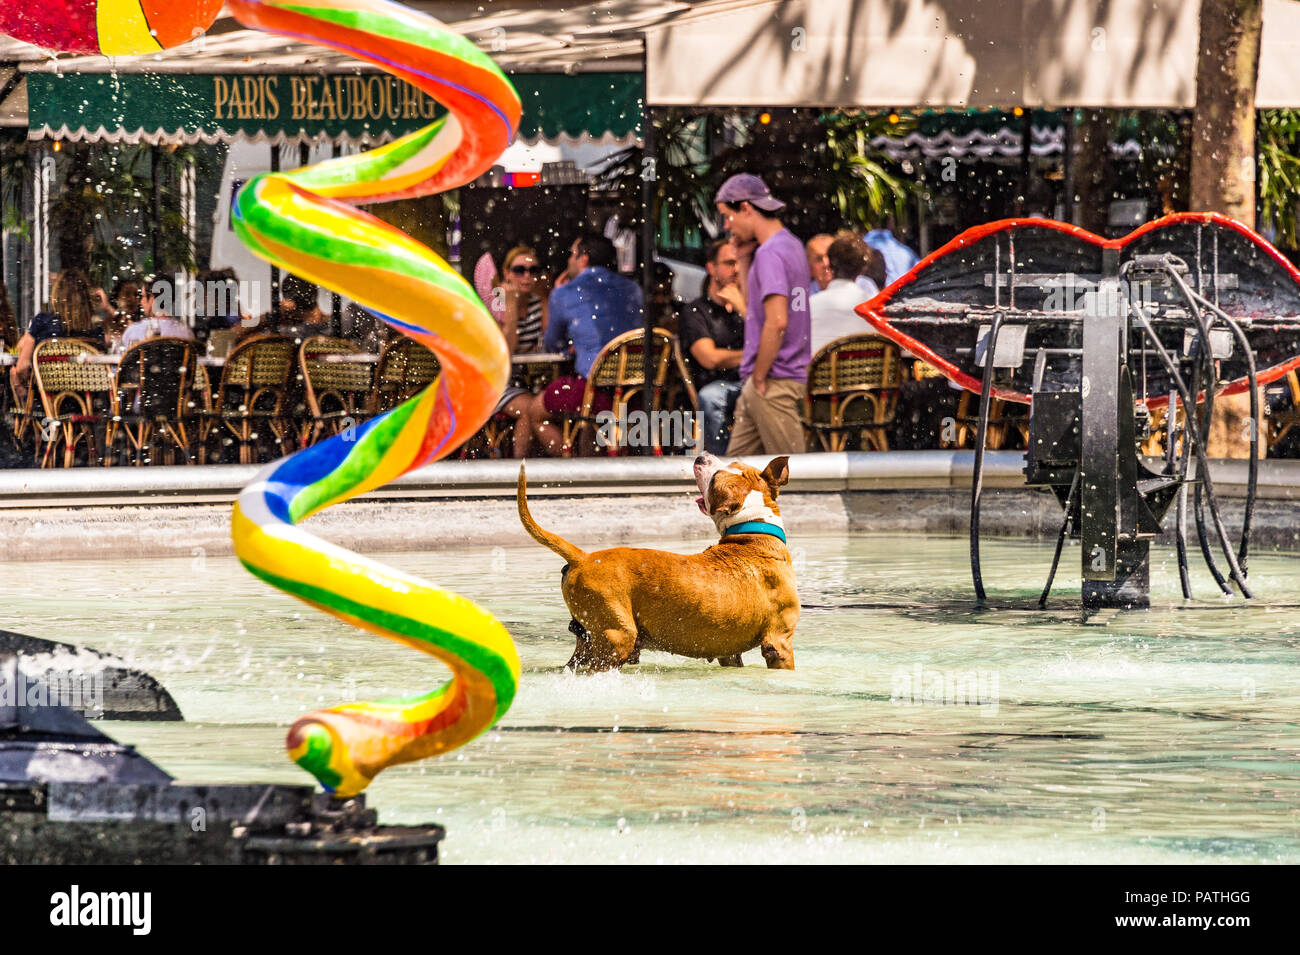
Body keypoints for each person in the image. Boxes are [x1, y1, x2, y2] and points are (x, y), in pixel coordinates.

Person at [515, 231, 643, 457]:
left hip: (593, 392)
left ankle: (572, 467)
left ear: (584, 258)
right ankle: (593, 460)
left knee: (535, 412)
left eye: (572, 254)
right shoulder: (633, 289)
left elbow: (553, 343)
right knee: (591, 421)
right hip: (636, 396)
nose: (569, 260)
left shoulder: (565, 293)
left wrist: (572, 343)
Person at [715, 173, 811, 456]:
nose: (726, 226)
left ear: (746, 208)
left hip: (773, 381)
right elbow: (755, 308)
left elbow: (777, 321)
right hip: (770, 380)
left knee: (795, 480)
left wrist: (759, 375)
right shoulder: (791, 245)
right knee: (735, 477)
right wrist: (743, 258)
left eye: (727, 217)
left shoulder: (770, 254)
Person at [679, 238, 746, 455]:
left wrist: (743, 308)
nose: (736, 269)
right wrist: (752, 355)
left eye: (739, 263)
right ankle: (721, 463)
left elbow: (770, 341)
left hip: (750, 380)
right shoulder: (696, 312)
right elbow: (709, 358)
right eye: (729, 263)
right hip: (717, 384)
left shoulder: (746, 308)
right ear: (711, 267)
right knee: (710, 397)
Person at [9, 269, 105, 405]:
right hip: (85, 403)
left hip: (46, 403)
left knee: (14, 374)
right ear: (86, 298)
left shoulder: (42, 323)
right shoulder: (95, 330)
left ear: (57, 295)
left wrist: (21, 385)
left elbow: (22, 368)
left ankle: (29, 419)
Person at [810, 233, 880, 355]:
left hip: (820, 373)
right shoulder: (876, 310)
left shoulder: (810, 306)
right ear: (863, 268)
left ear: (829, 265)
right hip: (865, 372)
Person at [497, 245, 549, 354]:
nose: (527, 275)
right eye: (519, 270)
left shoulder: (540, 301)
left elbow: (549, 344)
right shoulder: (496, 304)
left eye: (533, 270)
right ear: (507, 274)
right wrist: (511, 303)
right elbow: (506, 350)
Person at [120, 275, 196, 350]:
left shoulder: (134, 331)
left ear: (152, 299)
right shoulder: (186, 333)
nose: (141, 302)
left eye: (143, 297)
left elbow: (124, 358)